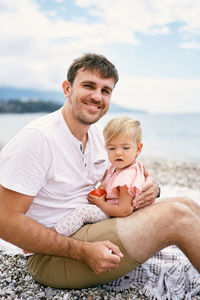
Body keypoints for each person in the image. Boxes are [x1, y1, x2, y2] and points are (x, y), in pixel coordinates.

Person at [0, 53, 200, 290]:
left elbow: (121, 175)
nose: (97, 96)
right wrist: (82, 251)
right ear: (67, 88)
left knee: (187, 204)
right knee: (176, 217)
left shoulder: (97, 135)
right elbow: (5, 220)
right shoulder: (38, 139)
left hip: (92, 225)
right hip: (52, 255)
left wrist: (152, 187)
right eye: (89, 86)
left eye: (106, 90)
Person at [55, 116, 145, 236]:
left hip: (114, 214)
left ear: (138, 149)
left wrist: (100, 203)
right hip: (110, 207)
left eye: (125, 148)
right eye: (112, 148)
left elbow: (124, 210)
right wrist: (100, 190)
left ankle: (53, 234)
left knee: (82, 212)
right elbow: (107, 181)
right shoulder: (119, 165)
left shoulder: (126, 178)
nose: (118, 152)